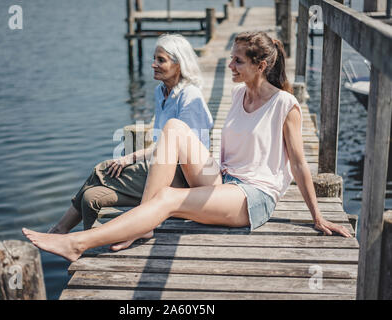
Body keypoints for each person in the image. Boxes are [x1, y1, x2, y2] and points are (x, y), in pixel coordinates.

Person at [22, 31, 352, 263]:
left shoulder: (285, 105)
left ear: (260, 65)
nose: (230, 66)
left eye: (237, 61)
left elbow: (298, 165)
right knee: (175, 127)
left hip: (254, 196)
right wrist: (213, 169)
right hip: (225, 180)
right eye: (230, 59)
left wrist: (317, 218)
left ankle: (76, 243)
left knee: (170, 197)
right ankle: (144, 225)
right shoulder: (238, 95)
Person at [47, 34, 213, 251]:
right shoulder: (161, 92)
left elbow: (184, 149)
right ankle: (88, 249)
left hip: (182, 177)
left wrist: (131, 157)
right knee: (91, 197)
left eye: (160, 60)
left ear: (179, 64)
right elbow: (160, 143)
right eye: (154, 58)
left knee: (102, 170)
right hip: (160, 166)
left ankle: (60, 231)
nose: (153, 64)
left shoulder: (190, 96)